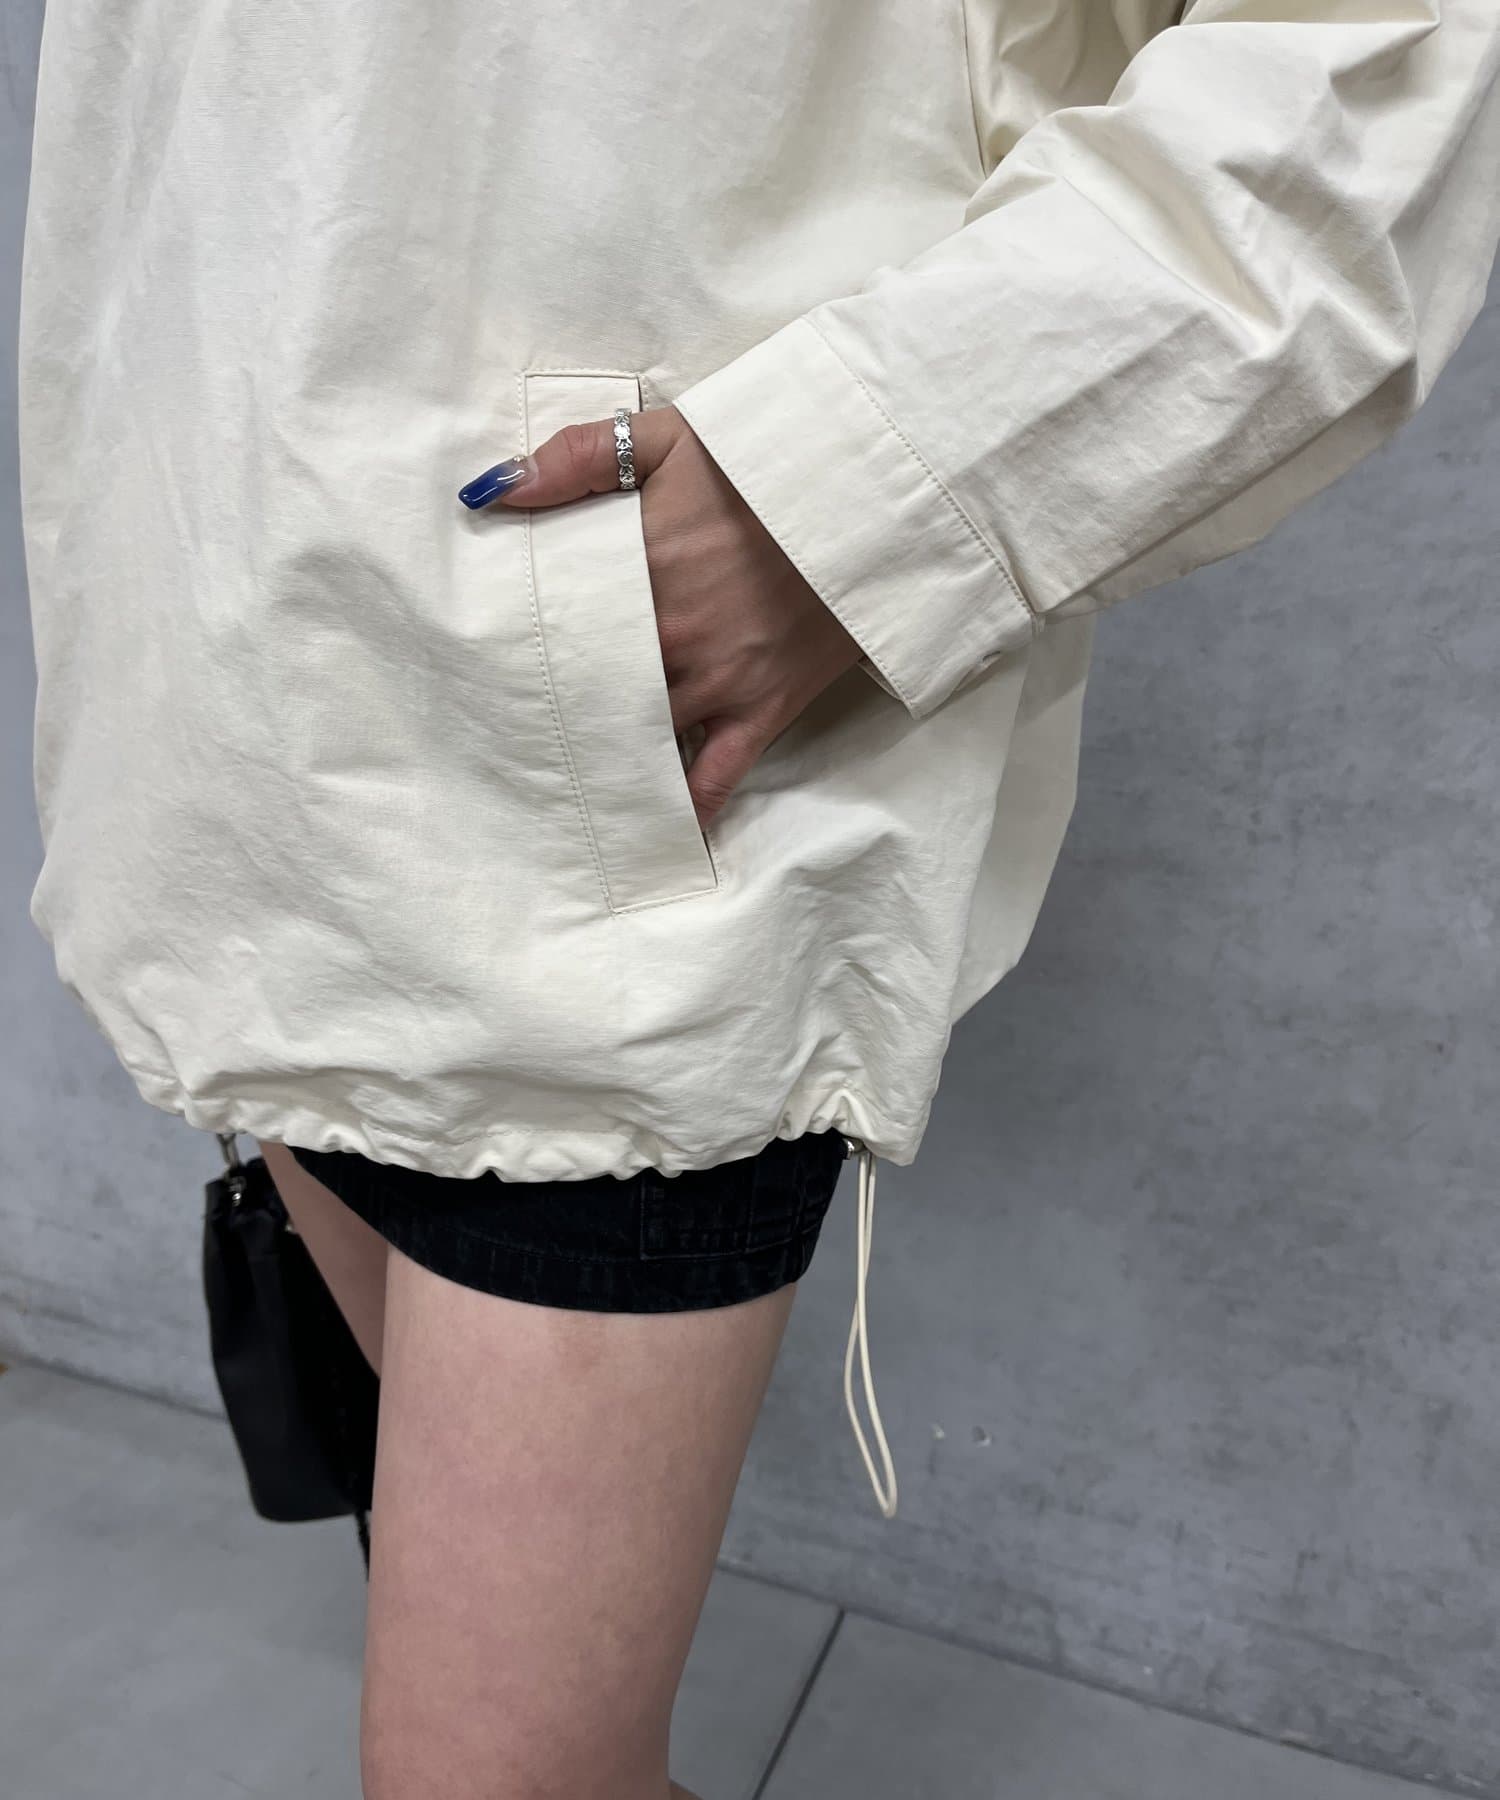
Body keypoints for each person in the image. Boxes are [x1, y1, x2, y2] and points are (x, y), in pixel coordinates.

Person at [17, 0, 1499, 1794]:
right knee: (435, 1587)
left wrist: (863, 485)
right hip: (250, 638)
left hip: (611, 778)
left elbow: (1389, 53)